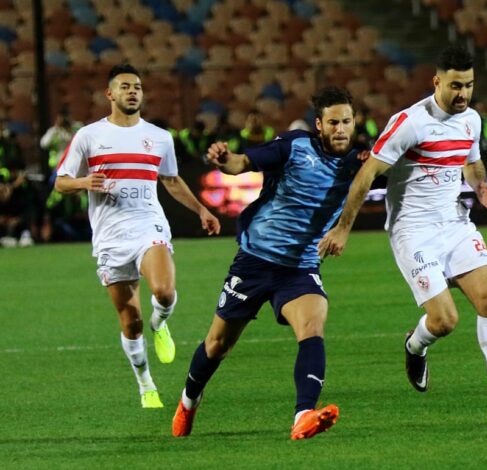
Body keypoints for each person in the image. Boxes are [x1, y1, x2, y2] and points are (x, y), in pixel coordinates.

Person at [318, 45, 487, 421]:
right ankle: (415, 346)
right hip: (412, 231)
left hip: (454, 223)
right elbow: (367, 174)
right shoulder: (410, 123)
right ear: (437, 82)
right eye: (455, 86)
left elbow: (472, 161)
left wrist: (481, 187)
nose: (463, 94)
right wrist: (342, 228)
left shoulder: (472, 120)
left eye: (468, 85)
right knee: (445, 321)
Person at [171, 86, 366, 441]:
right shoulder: (293, 146)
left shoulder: (360, 162)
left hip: (301, 267)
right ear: (319, 124)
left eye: (346, 122)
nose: (341, 129)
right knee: (217, 345)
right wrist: (224, 158)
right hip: (255, 261)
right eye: (333, 122)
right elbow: (241, 164)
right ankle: (188, 402)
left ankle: (303, 415)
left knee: (312, 326)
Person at [54, 64, 221, 408]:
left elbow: (171, 180)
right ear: (110, 94)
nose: (133, 92)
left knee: (164, 291)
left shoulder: (159, 137)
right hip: (110, 236)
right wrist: (84, 181)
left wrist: (202, 210)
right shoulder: (89, 135)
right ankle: (146, 384)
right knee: (131, 323)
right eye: (125, 86)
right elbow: (60, 182)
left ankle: (160, 323)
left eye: (138, 87)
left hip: (148, 224)